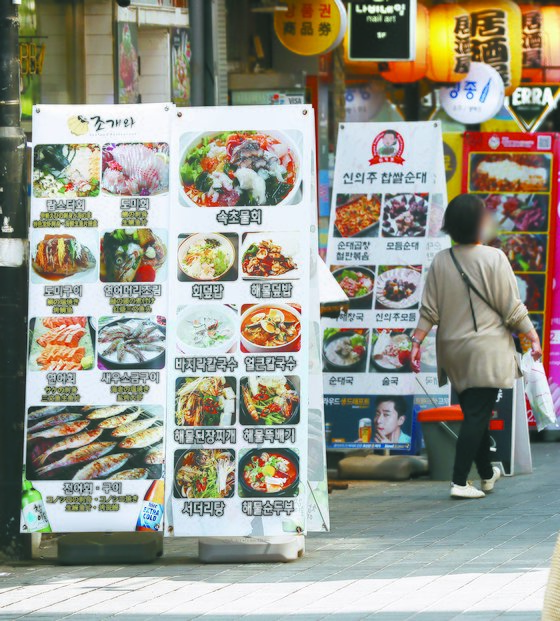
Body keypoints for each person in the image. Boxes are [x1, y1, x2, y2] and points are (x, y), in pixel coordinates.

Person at [411, 194, 542, 499]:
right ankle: (458, 481)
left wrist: (416, 342)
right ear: (479, 224)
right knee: (476, 414)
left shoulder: (442, 260)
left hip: (453, 352)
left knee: (475, 411)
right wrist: (531, 336)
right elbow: (512, 307)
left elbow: (429, 310)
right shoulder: (495, 258)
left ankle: (486, 473)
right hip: (487, 350)